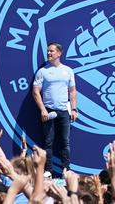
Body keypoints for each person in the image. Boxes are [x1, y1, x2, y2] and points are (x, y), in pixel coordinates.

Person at [31, 42, 77, 175]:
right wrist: (42, 110)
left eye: (51, 51)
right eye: (48, 51)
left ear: (59, 53)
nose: (49, 53)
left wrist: (74, 109)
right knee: (48, 142)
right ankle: (48, 170)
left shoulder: (68, 71)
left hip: (64, 111)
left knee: (65, 142)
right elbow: (35, 92)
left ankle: (66, 169)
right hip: (49, 111)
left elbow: (73, 91)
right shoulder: (42, 72)